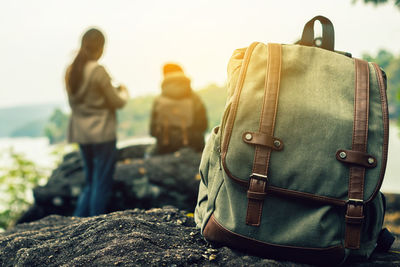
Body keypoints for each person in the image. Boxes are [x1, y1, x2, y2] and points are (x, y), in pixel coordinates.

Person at [65, 28, 129, 217]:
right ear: (100, 48)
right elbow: (116, 101)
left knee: (90, 182)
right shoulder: (98, 70)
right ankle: (95, 223)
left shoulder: (71, 71)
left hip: (81, 133)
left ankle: (77, 224)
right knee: (101, 182)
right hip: (102, 133)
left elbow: (73, 103)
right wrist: (123, 91)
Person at [149, 63, 207, 155]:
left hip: (164, 149)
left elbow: (152, 131)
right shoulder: (195, 98)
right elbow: (204, 126)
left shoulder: (158, 100)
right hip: (194, 147)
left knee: (147, 154)